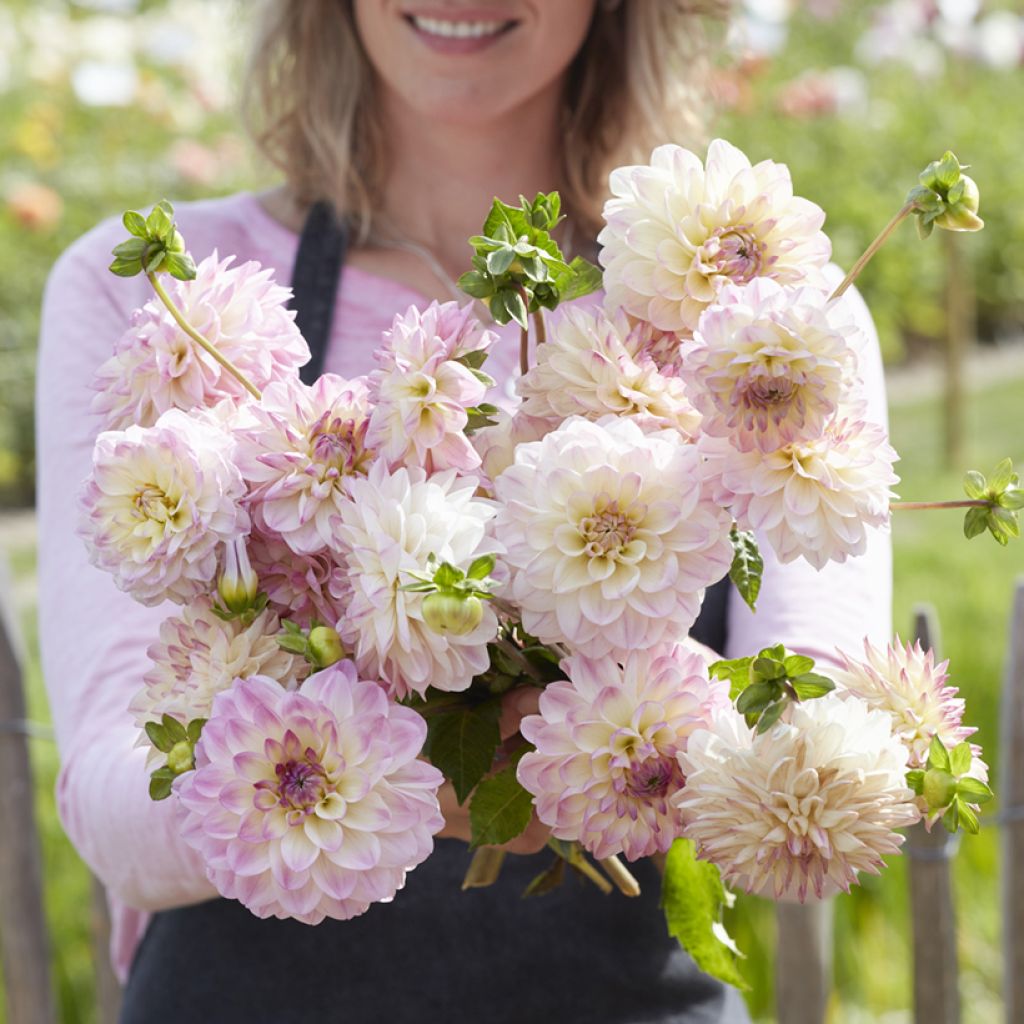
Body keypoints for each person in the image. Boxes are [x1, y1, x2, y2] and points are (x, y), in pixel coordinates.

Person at [36, 2, 892, 1021]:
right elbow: (112, 802)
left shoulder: (775, 318)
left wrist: (644, 736)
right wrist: (367, 762)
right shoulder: (157, 299)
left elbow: (821, 742)